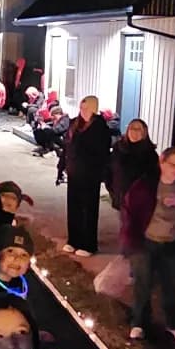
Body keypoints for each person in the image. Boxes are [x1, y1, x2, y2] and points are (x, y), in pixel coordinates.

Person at [120, 146, 175, 343]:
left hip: (172, 243)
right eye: (172, 164)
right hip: (145, 242)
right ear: (162, 162)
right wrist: (131, 243)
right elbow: (129, 215)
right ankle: (139, 322)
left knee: (173, 284)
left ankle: (174, 322)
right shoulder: (145, 185)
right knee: (143, 284)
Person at [63, 95, 112, 255]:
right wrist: (63, 164)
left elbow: (101, 152)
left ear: (93, 109)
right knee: (74, 207)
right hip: (74, 172)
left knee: (88, 208)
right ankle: (73, 240)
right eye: (81, 107)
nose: (82, 111)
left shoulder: (100, 127)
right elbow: (67, 145)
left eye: (86, 108)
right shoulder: (75, 124)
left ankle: (88, 244)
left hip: (90, 174)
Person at [108, 116, 158, 211]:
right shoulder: (118, 148)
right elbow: (109, 169)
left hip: (140, 201)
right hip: (120, 199)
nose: (134, 131)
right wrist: (112, 191)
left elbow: (153, 178)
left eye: (138, 129)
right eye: (131, 128)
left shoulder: (150, 154)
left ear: (144, 133)